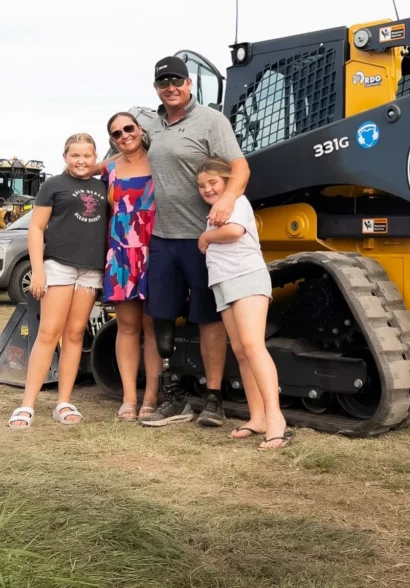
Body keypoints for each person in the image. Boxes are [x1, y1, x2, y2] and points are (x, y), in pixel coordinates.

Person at [139, 56, 250, 428]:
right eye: (163, 82)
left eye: (177, 81)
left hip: (202, 240)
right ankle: (172, 394)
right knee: (162, 318)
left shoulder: (211, 120)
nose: (170, 87)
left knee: (208, 319)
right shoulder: (152, 126)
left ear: (189, 84)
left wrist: (227, 200)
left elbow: (240, 166)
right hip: (161, 238)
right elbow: (128, 159)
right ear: (156, 87)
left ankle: (213, 398)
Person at [7, 133, 108, 429]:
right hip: (59, 266)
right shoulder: (53, 186)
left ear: (95, 157)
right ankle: (27, 405)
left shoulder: (102, 186)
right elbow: (36, 229)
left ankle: (64, 402)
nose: (81, 160)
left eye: (87, 155)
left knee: (75, 334)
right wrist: (38, 270)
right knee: (49, 333)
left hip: (90, 270)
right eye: (75, 155)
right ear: (65, 156)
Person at [196, 157, 293, 450]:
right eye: (201, 186)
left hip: (246, 277)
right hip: (224, 283)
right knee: (240, 350)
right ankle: (257, 417)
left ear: (226, 181)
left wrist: (206, 236)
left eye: (212, 182)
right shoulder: (216, 209)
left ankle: (276, 419)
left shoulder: (236, 200)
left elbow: (234, 232)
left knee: (252, 346)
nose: (207, 189)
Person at [103, 112, 162, 422]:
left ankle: (151, 396)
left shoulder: (160, 160)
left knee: (152, 326)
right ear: (111, 139)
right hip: (123, 254)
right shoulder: (108, 169)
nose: (124, 135)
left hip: (155, 249)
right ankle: (128, 397)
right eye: (116, 133)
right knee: (127, 326)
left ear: (140, 129)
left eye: (129, 128)